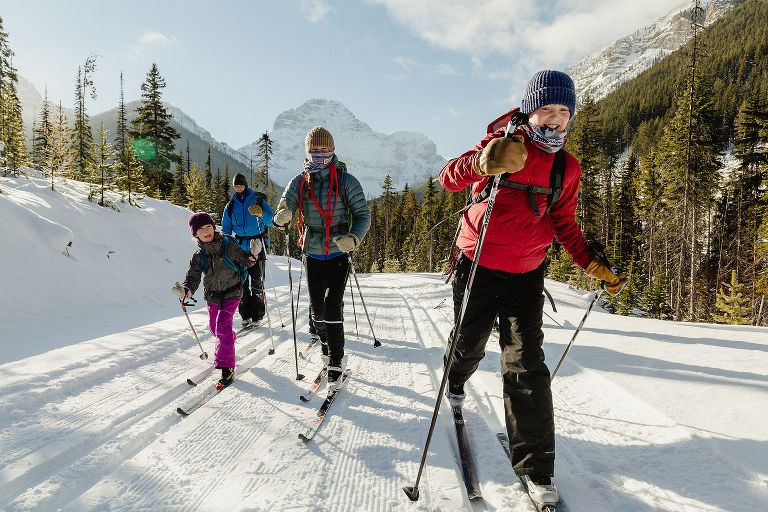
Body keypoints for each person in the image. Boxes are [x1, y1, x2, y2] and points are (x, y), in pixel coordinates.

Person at [438, 70, 627, 507]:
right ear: (530, 109)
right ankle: (457, 378)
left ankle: (538, 470)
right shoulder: (500, 144)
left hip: (527, 273)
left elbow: (564, 224)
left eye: (565, 112)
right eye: (548, 110)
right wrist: (481, 163)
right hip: (478, 262)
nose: (557, 120)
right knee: (468, 341)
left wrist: (592, 263)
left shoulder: (566, 166)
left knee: (526, 365)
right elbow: (450, 177)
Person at [273, 126, 371, 393]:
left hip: (339, 251)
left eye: (324, 149)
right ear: (307, 151)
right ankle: (326, 349)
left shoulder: (347, 181)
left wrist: (354, 238)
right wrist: (281, 216)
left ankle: (336, 361)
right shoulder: (300, 181)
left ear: (332, 150)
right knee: (317, 313)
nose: (319, 154)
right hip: (313, 252)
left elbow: (363, 215)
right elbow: (285, 206)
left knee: (332, 308)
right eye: (314, 150)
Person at [173, 211, 258, 386]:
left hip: (232, 291)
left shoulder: (228, 244)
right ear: (195, 234)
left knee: (222, 326)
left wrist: (252, 255)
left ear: (214, 227)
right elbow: (193, 276)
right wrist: (186, 290)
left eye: (208, 226)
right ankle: (228, 339)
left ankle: (227, 368)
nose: (206, 231)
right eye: (201, 229)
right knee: (214, 328)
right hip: (212, 294)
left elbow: (244, 260)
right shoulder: (198, 256)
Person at [222, 173, 274, 329]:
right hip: (239, 246)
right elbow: (226, 228)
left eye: (240, 185)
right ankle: (245, 314)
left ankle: (258, 314)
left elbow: (271, 219)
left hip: (257, 243)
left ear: (245, 184)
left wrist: (261, 213)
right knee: (241, 282)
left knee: (257, 281)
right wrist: (227, 244)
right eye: (235, 186)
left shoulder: (257, 200)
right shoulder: (231, 205)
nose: (238, 188)